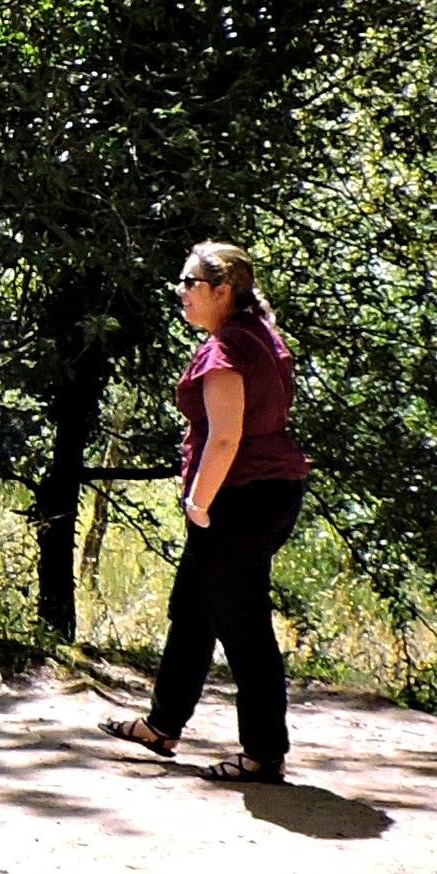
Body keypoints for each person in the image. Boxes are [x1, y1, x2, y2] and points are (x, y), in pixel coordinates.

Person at [105, 241, 312, 786]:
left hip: (237, 499)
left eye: (190, 283)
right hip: (271, 492)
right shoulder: (259, 334)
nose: (181, 292)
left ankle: (263, 755)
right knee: (194, 611)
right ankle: (162, 725)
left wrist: (199, 501)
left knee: (245, 630)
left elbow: (224, 437)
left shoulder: (227, 348)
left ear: (223, 292)